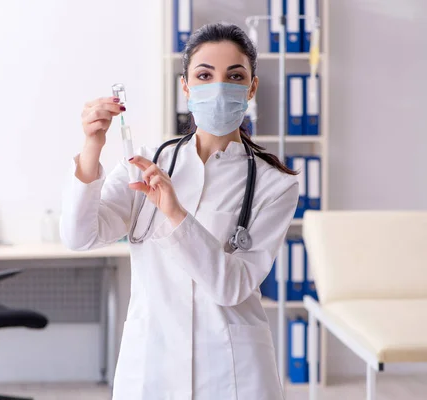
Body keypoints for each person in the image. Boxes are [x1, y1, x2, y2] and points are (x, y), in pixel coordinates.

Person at [60, 22, 299, 400]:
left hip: (232, 370)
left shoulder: (275, 184)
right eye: (204, 75)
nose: (218, 87)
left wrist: (175, 214)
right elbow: (79, 236)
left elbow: (232, 285)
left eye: (234, 76)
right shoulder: (147, 163)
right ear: (185, 87)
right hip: (152, 363)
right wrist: (92, 146)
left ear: (251, 87)